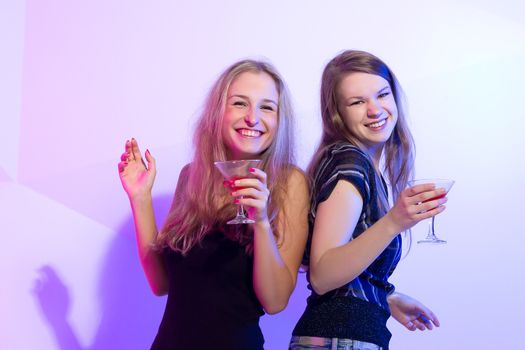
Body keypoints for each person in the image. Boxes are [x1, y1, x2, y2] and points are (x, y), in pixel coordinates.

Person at [118, 59, 309, 349]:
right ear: (218, 111)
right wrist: (140, 198)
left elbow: (276, 301)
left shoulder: (289, 182)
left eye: (267, 107)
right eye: (240, 103)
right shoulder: (191, 176)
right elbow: (162, 284)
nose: (252, 118)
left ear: (280, 119)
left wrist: (260, 221)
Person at [290, 50, 446, 350]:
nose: (375, 110)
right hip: (340, 338)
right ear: (338, 113)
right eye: (358, 102)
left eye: (382, 95)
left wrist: (385, 298)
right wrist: (394, 221)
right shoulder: (350, 163)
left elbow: (345, 264)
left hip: (347, 336)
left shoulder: (360, 163)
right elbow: (323, 276)